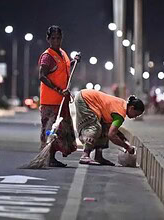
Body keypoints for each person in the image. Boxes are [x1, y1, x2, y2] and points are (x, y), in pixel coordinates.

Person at [37, 25, 80, 167]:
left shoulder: (62, 54)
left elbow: (64, 68)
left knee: (60, 131)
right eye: (53, 38)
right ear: (48, 39)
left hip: (61, 101)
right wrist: (58, 89)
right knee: (50, 130)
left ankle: (52, 157)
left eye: (58, 38)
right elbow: (42, 76)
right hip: (50, 102)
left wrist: (74, 61)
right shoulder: (47, 57)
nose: (56, 41)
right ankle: (47, 157)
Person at [74, 89, 145, 165]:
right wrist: (127, 147)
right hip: (85, 99)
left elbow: (111, 129)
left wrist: (121, 137)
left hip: (86, 96)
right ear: (131, 108)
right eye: (136, 114)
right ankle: (85, 155)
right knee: (95, 127)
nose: (134, 117)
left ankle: (98, 156)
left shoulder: (122, 105)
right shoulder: (120, 115)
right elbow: (112, 135)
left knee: (105, 129)